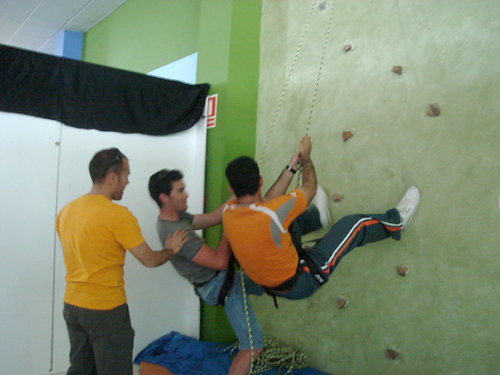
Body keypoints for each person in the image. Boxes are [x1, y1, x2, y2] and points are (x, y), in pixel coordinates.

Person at [222, 136, 421, 300]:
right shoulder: (273, 213)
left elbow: (265, 201)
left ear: (232, 189)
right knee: (353, 225)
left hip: (274, 282)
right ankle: (397, 221)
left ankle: (319, 217)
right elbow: (310, 188)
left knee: (288, 224)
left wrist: (291, 168)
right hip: (302, 281)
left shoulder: (229, 211)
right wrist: (306, 157)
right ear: (260, 181)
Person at [56, 148, 188, 375]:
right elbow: (149, 260)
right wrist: (171, 249)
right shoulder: (118, 215)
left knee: (81, 370)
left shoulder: (66, 211)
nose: (127, 181)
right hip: (105, 311)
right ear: (112, 177)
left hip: (73, 307)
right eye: (126, 175)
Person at [148, 169, 266, 375]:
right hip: (219, 285)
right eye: (180, 191)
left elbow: (213, 218)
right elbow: (220, 261)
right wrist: (233, 224)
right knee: (252, 345)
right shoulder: (177, 233)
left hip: (220, 279)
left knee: (268, 282)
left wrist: (238, 193)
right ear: (164, 198)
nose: (187, 194)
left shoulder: (176, 218)